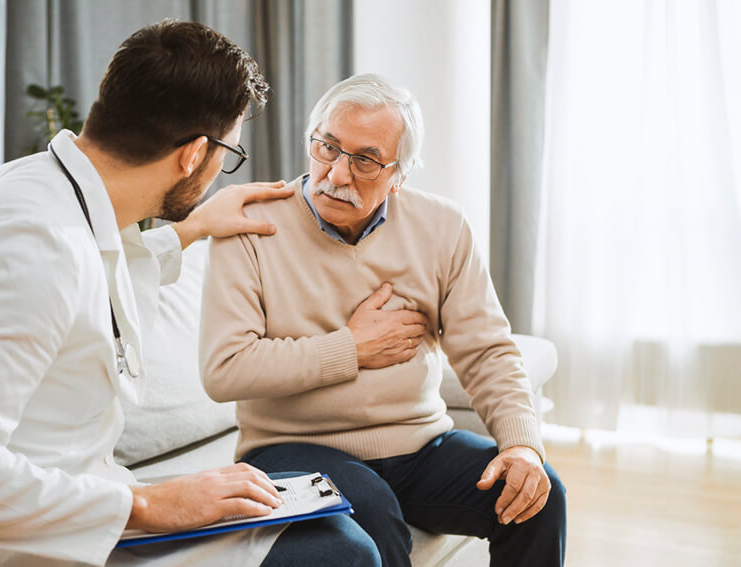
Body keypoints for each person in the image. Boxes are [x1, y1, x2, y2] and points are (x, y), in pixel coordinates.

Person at [0, 21, 378, 567]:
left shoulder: (48, 191)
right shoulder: (30, 249)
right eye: (229, 155)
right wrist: (144, 504)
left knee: (320, 502)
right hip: (0, 546)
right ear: (195, 153)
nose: (220, 173)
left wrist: (194, 227)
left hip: (82, 504)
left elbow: (97, 272)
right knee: (337, 551)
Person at [200, 73, 567, 567]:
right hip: (290, 450)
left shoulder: (442, 226)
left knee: (539, 499)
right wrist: (351, 348)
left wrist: (522, 444)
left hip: (420, 445)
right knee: (373, 511)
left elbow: (487, 351)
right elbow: (225, 369)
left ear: (400, 175)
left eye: (366, 160)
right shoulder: (248, 226)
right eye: (327, 147)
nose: (336, 174)